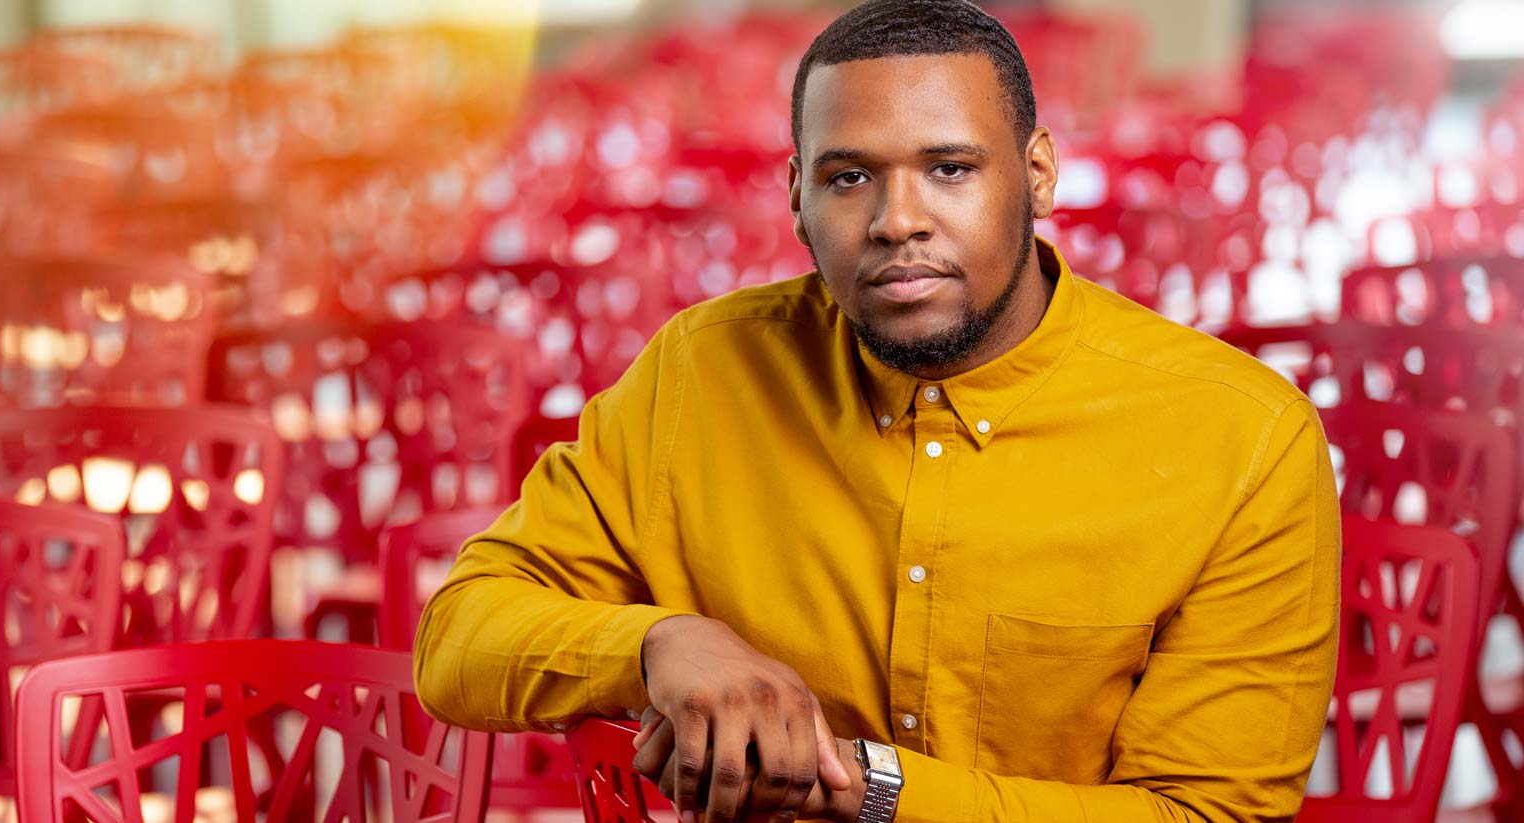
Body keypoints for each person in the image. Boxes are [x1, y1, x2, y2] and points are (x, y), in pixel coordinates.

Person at [413, 1, 1340, 821]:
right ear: (796, 198)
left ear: (1040, 175)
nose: (899, 219)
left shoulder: (1244, 439)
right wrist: (659, 642)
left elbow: (1206, 813)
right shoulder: (699, 371)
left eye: (948, 169)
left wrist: (868, 786)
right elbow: (457, 638)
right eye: (850, 178)